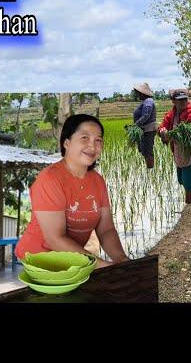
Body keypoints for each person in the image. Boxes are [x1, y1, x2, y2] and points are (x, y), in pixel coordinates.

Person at [15, 114, 130, 268]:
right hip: (40, 260)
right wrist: (101, 265)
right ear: (67, 143)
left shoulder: (97, 181)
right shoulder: (50, 179)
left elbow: (106, 229)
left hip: (73, 261)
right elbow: (55, 239)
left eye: (98, 140)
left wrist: (122, 260)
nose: (92, 146)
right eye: (84, 138)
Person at [158, 88, 191, 204]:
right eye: (179, 100)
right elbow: (162, 127)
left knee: (189, 180)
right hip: (179, 151)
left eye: (185, 100)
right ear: (173, 101)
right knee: (181, 179)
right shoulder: (172, 114)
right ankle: (189, 199)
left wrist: (176, 135)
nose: (183, 102)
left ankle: (189, 204)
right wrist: (162, 131)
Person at [132, 82, 157, 169]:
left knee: (148, 151)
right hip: (145, 130)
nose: (137, 94)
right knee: (144, 150)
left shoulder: (148, 101)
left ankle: (150, 169)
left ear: (142, 93)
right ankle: (149, 168)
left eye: (138, 93)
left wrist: (136, 125)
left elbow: (146, 115)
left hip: (148, 130)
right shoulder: (145, 101)